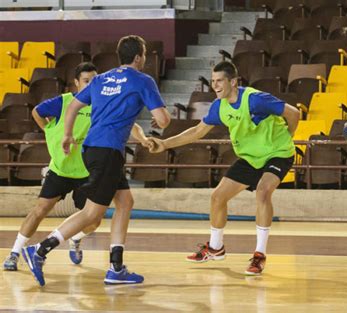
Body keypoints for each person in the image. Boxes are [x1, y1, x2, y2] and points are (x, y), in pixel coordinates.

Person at [22, 35, 170, 286]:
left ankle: (116, 267)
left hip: (93, 148)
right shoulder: (142, 80)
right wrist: (159, 118)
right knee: (92, 213)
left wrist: (67, 135)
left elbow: (72, 107)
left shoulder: (102, 79)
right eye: (144, 55)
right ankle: (39, 250)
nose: (144, 58)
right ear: (138, 57)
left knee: (125, 201)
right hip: (108, 150)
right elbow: (164, 120)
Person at [150, 61, 300, 275]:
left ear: (233, 81)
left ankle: (259, 255)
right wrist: (164, 144)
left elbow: (293, 113)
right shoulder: (219, 106)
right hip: (250, 158)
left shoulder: (255, 100)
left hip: (278, 154)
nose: (215, 86)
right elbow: (196, 132)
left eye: (219, 81)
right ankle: (216, 247)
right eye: (212, 81)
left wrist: (287, 137)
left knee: (263, 191)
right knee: (217, 197)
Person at [3, 62, 101, 271]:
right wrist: (49, 130)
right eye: (86, 81)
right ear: (76, 83)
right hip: (60, 170)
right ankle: (14, 253)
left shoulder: (102, 106)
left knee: (94, 221)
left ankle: (76, 238)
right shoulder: (64, 102)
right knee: (40, 210)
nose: (91, 84)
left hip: (87, 173)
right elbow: (37, 111)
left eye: (95, 80)